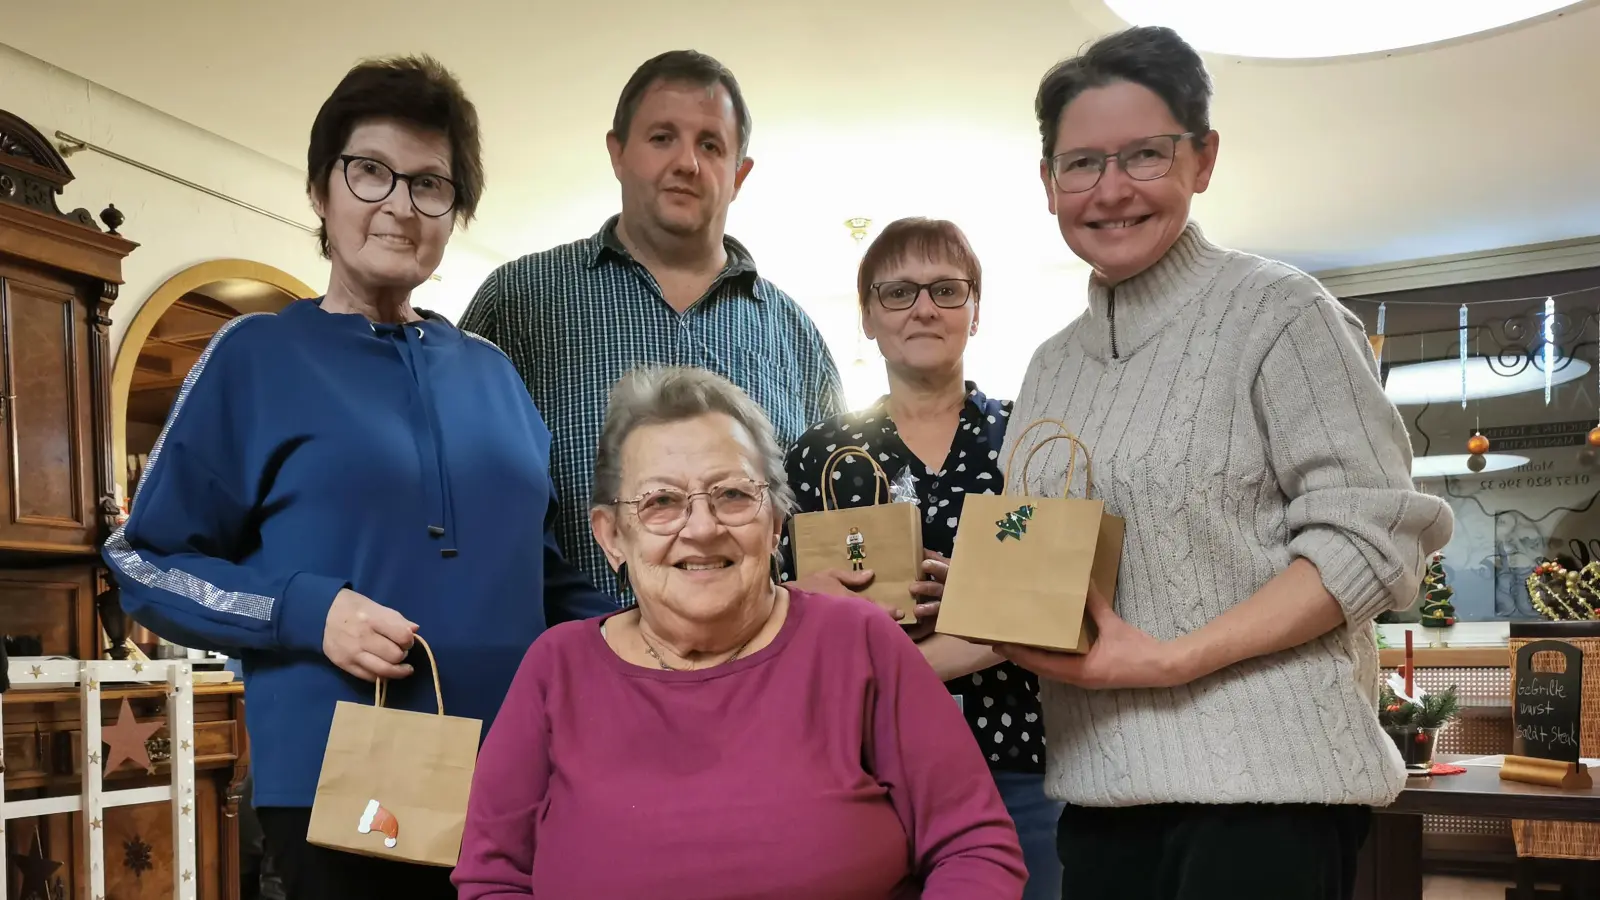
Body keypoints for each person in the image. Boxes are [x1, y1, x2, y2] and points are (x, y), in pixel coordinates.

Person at [103, 55, 610, 900]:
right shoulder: (256, 358)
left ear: (455, 212)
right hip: (345, 791)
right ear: (320, 190)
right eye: (370, 172)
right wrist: (308, 609)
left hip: (530, 774)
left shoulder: (496, 375)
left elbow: (548, 583)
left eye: (430, 185)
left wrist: (687, 625)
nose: (398, 205)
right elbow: (143, 564)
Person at [995, 27, 1455, 900]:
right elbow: (1054, 565)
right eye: (1082, 162)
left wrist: (1171, 659)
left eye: (1146, 154)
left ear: (1202, 160)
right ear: (1049, 182)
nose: (1112, 188)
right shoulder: (1049, 365)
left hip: (1267, 795)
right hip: (1100, 788)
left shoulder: (1281, 314)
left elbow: (1371, 545)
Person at [453, 366, 1026, 900]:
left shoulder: (859, 643)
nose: (701, 528)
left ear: (776, 520)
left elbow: (974, 845)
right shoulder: (557, 668)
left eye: (731, 494)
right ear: (611, 536)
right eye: (661, 502)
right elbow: (493, 876)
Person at [458, 49, 845, 602]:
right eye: (662, 137)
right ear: (617, 153)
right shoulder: (517, 301)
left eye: (710, 145)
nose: (687, 162)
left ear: (739, 174)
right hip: (575, 668)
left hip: (765, 671)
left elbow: (829, 512)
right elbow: (462, 497)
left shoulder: (796, 334)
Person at [781, 218, 1062, 900]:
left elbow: (1051, 607)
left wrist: (908, 652)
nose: (925, 308)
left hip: (1015, 762)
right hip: (864, 765)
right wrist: (990, 608)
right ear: (869, 317)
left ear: (975, 310)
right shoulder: (818, 453)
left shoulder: (1031, 437)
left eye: (946, 289)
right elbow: (787, 614)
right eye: (899, 292)